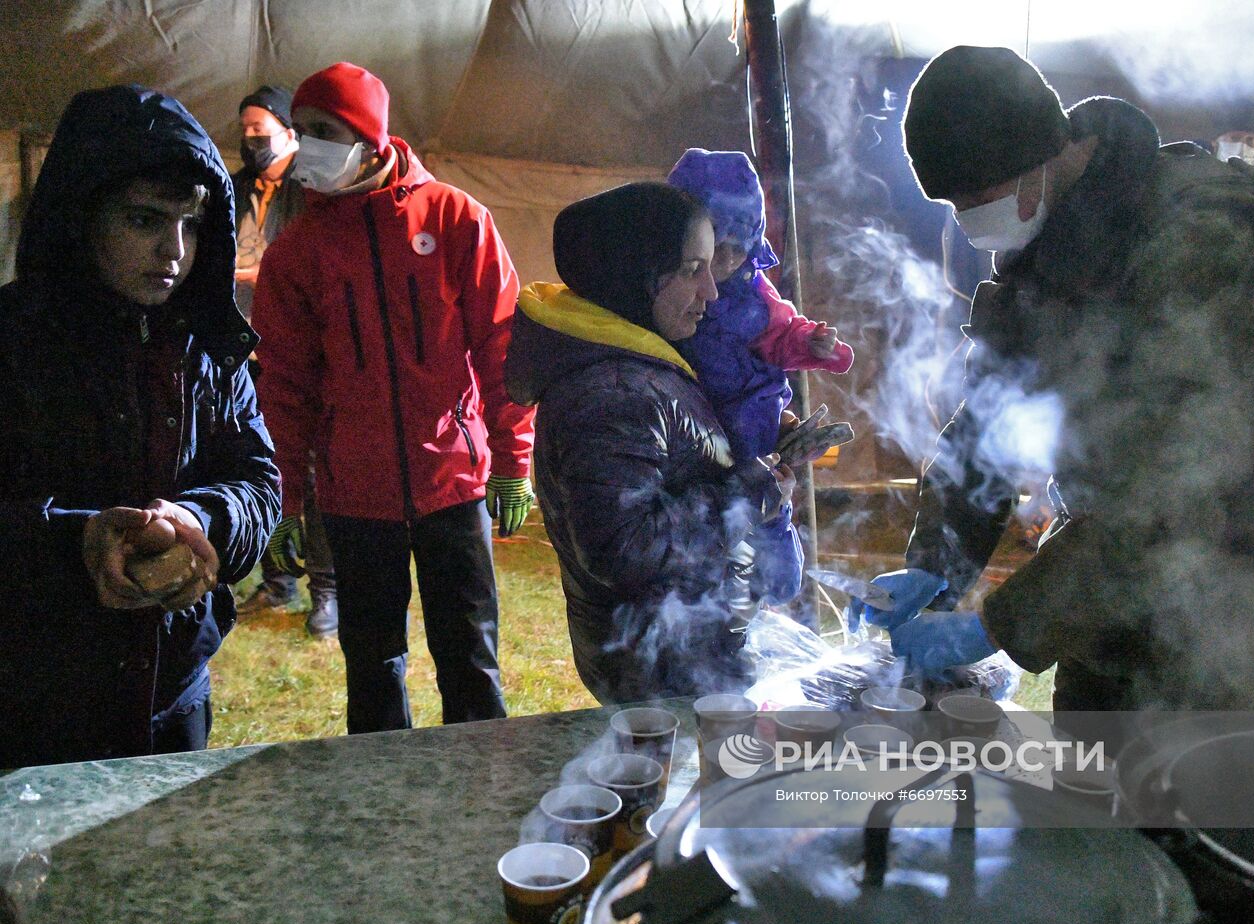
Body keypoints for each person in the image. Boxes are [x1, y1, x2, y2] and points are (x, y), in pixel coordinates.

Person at [852, 46, 1254, 726]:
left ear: (1039, 158)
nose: (967, 221)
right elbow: (985, 429)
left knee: (1184, 810)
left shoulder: (1206, 242)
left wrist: (993, 624)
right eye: (951, 204)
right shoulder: (1049, 246)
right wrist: (936, 568)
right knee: (1084, 805)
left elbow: (1170, 496)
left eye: (975, 199)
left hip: (1219, 608)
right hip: (1102, 603)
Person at [0, 85, 279, 767]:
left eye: (191, 223)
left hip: (172, 697)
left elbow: (257, 479)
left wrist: (201, 523)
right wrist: (78, 541)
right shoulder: (12, 343)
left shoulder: (207, 344)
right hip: (32, 705)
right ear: (82, 217)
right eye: (144, 220)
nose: (174, 250)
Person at [255, 63, 534, 732]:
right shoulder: (296, 256)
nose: (305, 145)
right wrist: (285, 498)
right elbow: (285, 388)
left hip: (453, 483)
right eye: (302, 130)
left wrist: (512, 459)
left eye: (324, 131)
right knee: (374, 667)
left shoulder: (456, 218)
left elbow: (502, 347)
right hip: (356, 495)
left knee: (470, 659)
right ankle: (383, 815)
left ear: (372, 140)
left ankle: (485, 798)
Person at [505, 182, 797, 703]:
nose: (711, 290)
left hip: (682, 654)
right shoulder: (610, 392)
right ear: (633, 272)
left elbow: (675, 467)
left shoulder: (637, 364)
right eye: (692, 269)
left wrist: (752, 450)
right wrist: (747, 497)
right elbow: (625, 544)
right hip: (658, 671)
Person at [666, 148, 854, 606]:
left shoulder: (754, 294)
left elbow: (783, 331)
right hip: (694, 438)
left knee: (768, 530)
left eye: (738, 247)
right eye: (715, 248)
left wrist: (814, 344)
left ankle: (773, 582)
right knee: (707, 554)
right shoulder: (661, 287)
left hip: (753, 426)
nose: (726, 262)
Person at [229, 84, 338, 638]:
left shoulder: (313, 189)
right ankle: (277, 580)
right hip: (245, 347)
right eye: (245, 130)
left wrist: (255, 274)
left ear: (288, 131)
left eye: (259, 128)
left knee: (312, 470)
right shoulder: (236, 188)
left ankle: (326, 589)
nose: (251, 139)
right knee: (262, 462)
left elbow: (312, 263)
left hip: (300, 348)